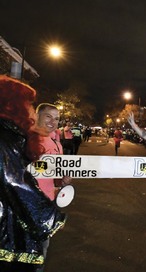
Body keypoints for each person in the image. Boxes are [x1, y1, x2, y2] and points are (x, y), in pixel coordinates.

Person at [0, 76, 66, 272]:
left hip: (27, 212)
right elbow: (15, 181)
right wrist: (48, 217)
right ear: (13, 105)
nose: (30, 109)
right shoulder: (7, 139)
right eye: (28, 104)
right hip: (17, 220)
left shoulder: (49, 141)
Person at [34, 103, 72, 271]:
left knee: (42, 249)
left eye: (56, 118)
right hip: (25, 204)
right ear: (37, 117)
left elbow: (56, 177)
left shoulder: (57, 144)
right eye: (48, 116)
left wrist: (63, 180)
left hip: (48, 204)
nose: (53, 121)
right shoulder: (25, 139)